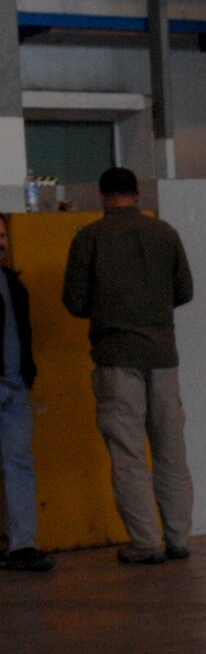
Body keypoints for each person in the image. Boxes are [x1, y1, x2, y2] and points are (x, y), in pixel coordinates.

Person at [60, 166, 194, 565]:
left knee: (129, 453)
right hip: (163, 357)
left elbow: (74, 301)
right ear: (137, 194)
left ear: (102, 196)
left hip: (117, 357)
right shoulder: (165, 233)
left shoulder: (89, 239)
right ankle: (178, 538)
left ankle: (146, 542)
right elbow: (184, 290)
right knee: (171, 449)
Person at [0, 214, 52, 571]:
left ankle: (23, 544)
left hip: (14, 386)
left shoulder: (12, 284)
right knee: (19, 463)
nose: (2, 241)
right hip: (11, 383)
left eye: (3, 235)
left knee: (20, 464)